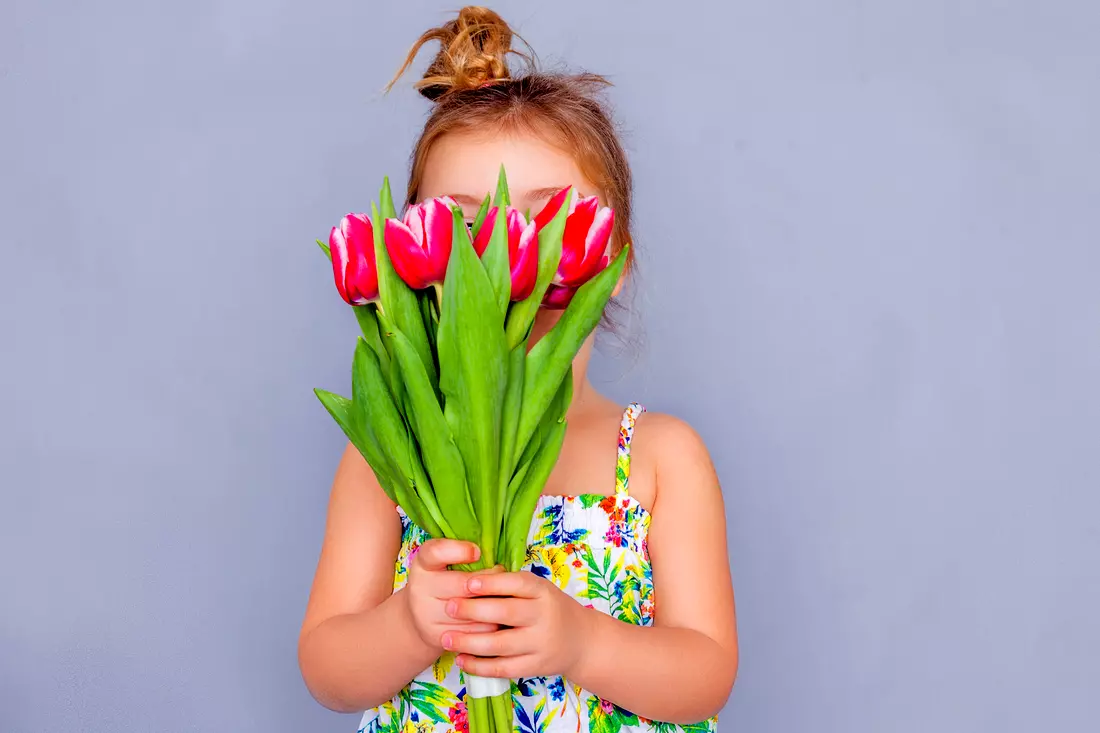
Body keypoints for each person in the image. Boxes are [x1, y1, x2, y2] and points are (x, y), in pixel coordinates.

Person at [298, 7, 738, 732]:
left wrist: (584, 640)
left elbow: (707, 675)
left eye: (550, 222)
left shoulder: (659, 459)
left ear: (614, 261)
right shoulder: (390, 452)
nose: (504, 262)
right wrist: (410, 622)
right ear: (411, 257)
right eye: (465, 229)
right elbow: (328, 668)